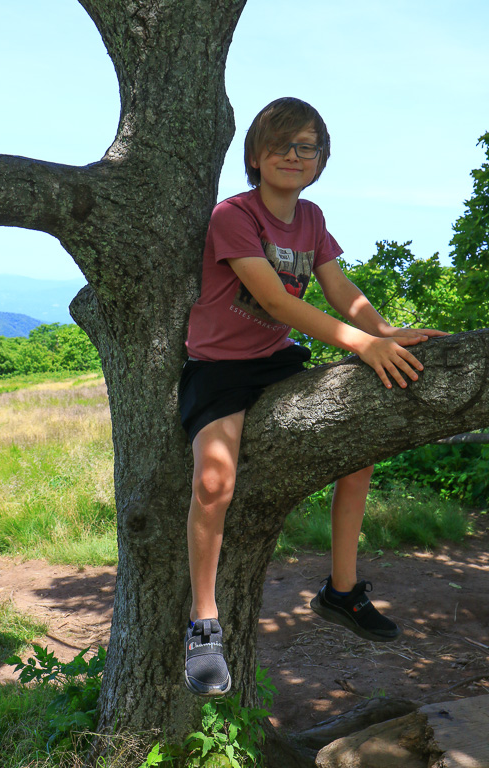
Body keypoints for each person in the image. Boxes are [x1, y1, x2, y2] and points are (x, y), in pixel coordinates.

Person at [179, 97, 447, 697]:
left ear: (322, 160)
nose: (294, 155)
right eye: (281, 144)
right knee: (214, 484)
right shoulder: (234, 215)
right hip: (220, 368)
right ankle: (203, 622)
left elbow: (339, 288)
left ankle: (342, 591)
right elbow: (276, 301)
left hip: (276, 361)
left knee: (359, 446)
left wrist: (382, 333)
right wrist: (361, 345)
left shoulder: (313, 218)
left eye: (308, 146)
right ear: (255, 154)